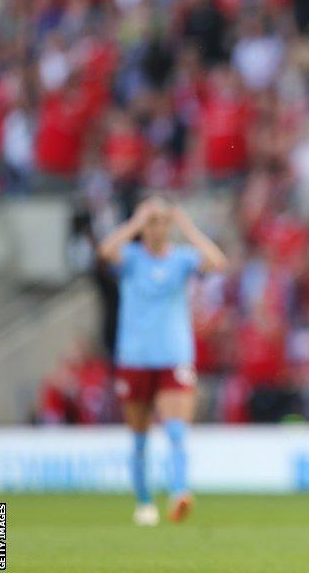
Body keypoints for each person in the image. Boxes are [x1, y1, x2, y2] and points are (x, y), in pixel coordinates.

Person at [98, 196, 227, 526]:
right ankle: (144, 503)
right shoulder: (131, 258)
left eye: (161, 220)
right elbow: (104, 251)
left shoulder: (181, 260)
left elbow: (217, 262)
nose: (157, 227)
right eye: (152, 221)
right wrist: (134, 224)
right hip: (136, 357)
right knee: (139, 436)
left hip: (173, 356)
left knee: (176, 430)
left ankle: (180, 491)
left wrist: (187, 226)